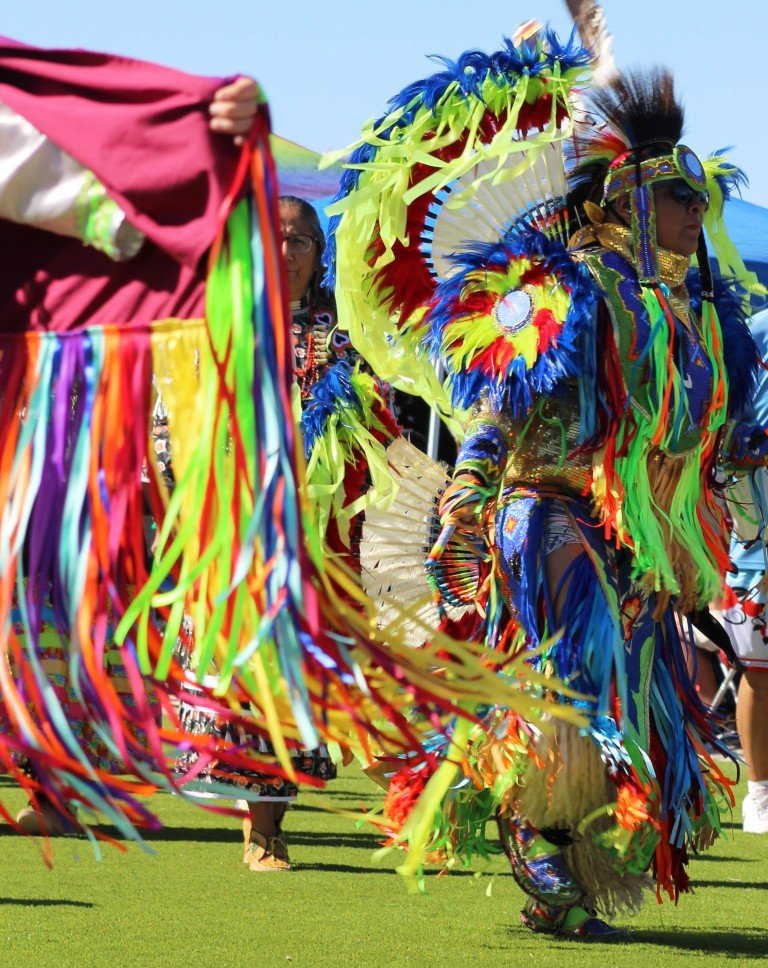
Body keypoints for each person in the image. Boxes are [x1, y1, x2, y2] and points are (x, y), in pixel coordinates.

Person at [328, 28, 766, 940]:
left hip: (631, 532)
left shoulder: (693, 311)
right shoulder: (566, 288)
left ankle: (551, 850)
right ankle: (536, 844)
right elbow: (501, 399)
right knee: (578, 688)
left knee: (630, 715)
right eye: (682, 199)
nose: (698, 215)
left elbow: (710, 433)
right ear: (634, 202)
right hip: (545, 517)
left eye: (701, 200)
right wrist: (470, 491)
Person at [723, 307, 768, 833]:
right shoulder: (752, 331)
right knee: (761, 672)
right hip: (759, 540)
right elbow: (726, 429)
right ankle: (759, 793)